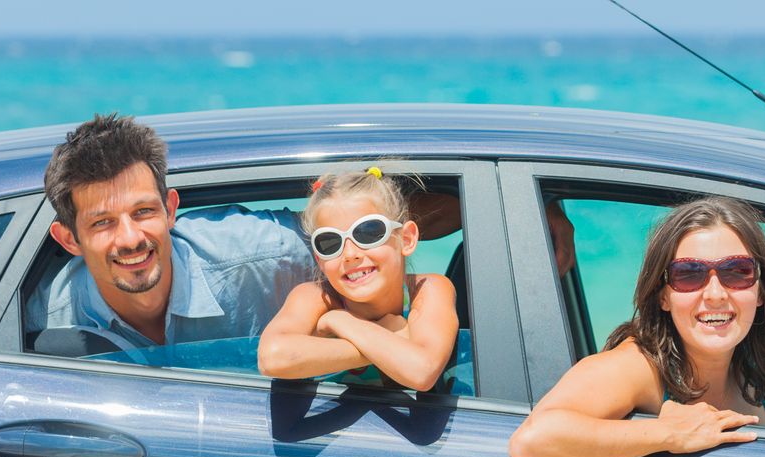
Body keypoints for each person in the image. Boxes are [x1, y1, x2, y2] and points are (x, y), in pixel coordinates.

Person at [25, 113, 468, 357]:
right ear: (69, 240)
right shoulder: (44, 315)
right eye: (102, 223)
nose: (129, 238)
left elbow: (359, 231)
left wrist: (519, 216)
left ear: (172, 209)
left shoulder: (262, 253)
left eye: (143, 212)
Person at [508, 196, 765, 457]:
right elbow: (532, 441)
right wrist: (667, 433)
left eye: (737, 271)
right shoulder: (640, 366)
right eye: (689, 274)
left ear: (761, 290)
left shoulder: (748, 363)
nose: (716, 294)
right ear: (663, 296)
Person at [256, 167, 460, 392]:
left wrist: (342, 322)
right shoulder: (315, 297)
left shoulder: (427, 290)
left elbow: (422, 371)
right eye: (330, 243)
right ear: (319, 259)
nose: (350, 253)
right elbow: (273, 358)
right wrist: (388, 336)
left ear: (407, 238)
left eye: (369, 232)